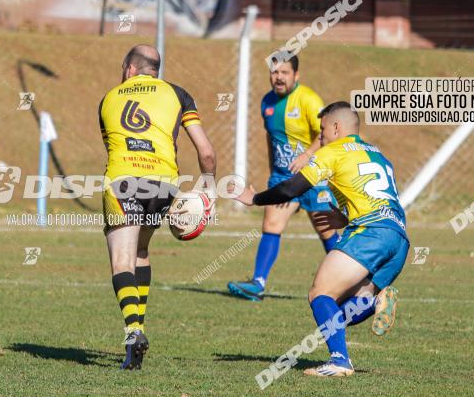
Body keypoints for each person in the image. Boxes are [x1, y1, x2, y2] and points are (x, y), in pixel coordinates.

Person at [234, 101, 408, 377]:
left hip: (370, 233)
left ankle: (340, 361)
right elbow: (376, 198)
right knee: (339, 307)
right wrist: (347, 218)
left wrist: (255, 198)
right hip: (398, 238)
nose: (321, 136)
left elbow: (293, 187)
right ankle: (374, 301)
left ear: (336, 127)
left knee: (320, 294)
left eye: (323, 128)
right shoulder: (378, 154)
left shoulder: (333, 151)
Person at [99, 45, 216, 370]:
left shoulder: (108, 98)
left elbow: (113, 145)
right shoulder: (178, 94)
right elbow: (205, 151)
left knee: (122, 260)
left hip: (123, 181)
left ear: (129, 69)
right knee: (141, 252)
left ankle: (134, 331)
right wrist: (208, 188)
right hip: (163, 183)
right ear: (156, 70)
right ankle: (137, 335)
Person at [227, 56, 339, 302]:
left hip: (313, 177)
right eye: (274, 71)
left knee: (327, 232)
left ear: (296, 75)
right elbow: (271, 138)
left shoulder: (309, 100)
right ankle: (257, 284)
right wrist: (272, 170)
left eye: (285, 72)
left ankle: (353, 283)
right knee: (271, 225)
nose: (279, 77)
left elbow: (326, 134)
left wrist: (307, 156)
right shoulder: (267, 102)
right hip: (282, 176)